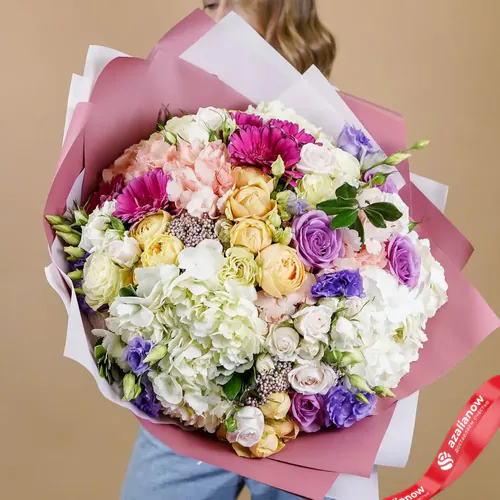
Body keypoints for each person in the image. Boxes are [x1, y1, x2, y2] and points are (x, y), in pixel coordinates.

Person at [121, 2, 336, 499]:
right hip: (196, 405)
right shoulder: (184, 134)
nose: (208, 18)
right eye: (209, 3)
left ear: (281, 14)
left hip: (304, 408)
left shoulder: (333, 145)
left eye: (227, 3)